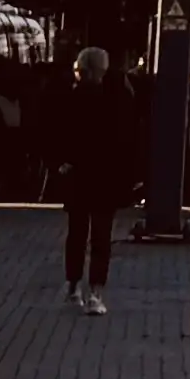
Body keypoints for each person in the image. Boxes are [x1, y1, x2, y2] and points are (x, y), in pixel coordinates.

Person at [49, 40, 143, 310]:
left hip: (78, 177)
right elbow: (129, 139)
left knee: (76, 234)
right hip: (107, 178)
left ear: (83, 69)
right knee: (101, 237)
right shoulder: (121, 98)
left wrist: (61, 163)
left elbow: (58, 134)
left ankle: (73, 287)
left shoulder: (70, 97)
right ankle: (96, 293)